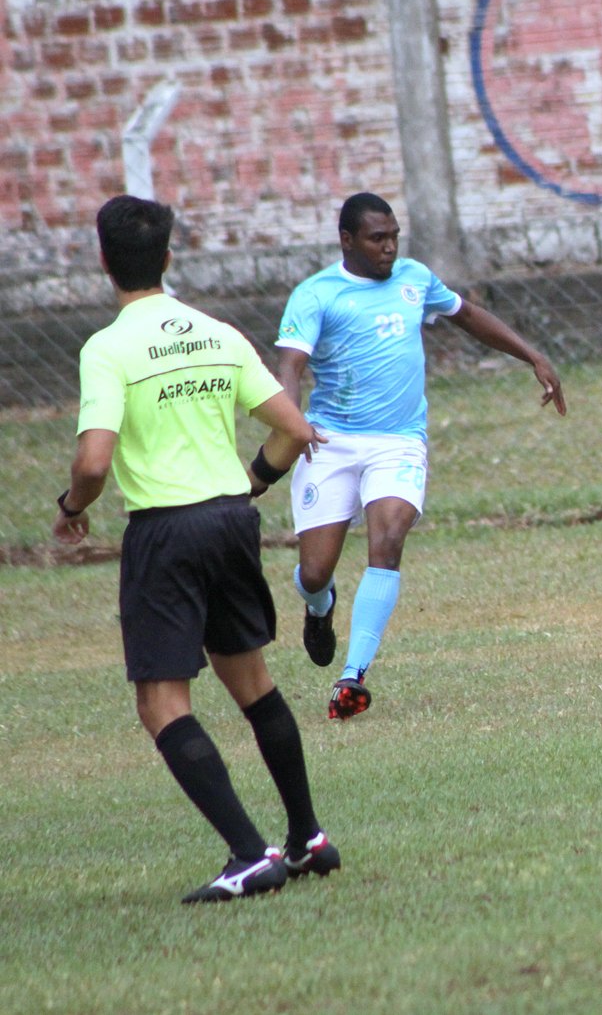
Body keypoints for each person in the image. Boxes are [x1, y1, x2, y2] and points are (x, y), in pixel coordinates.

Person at [54, 195, 339, 903]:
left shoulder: (109, 347)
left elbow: (93, 462)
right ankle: (307, 838)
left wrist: (70, 512)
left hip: (166, 530)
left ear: (103, 262)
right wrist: (247, 484)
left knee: (161, 700)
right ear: (169, 258)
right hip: (230, 518)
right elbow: (294, 429)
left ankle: (249, 854)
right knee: (251, 682)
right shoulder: (218, 332)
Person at [275, 192, 567, 719]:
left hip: (399, 441)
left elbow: (467, 314)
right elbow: (291, 366)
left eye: (393, 237)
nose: (389, 248)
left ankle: (352, 677)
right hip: (331, 442)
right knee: (315, 572)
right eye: (376, 238)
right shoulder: (316, 295)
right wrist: (293, 425)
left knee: (386, 541)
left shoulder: (415, 278)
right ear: (347, 240)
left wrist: (533, 355)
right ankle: (319, 608)